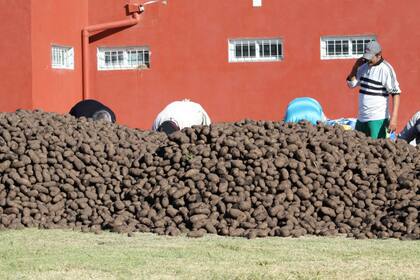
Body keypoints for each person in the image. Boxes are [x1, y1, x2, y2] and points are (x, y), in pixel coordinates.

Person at [346, 40, 401, 139]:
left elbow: (396, 93)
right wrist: (355, 66)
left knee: (377, 149)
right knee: (359, 148)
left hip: (377, 119)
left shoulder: (386, 69)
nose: (368, 60)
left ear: (379, 55)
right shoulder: (363, 67)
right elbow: (351, 84)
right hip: (361, 118)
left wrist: (394, 118)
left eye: (370, 57)